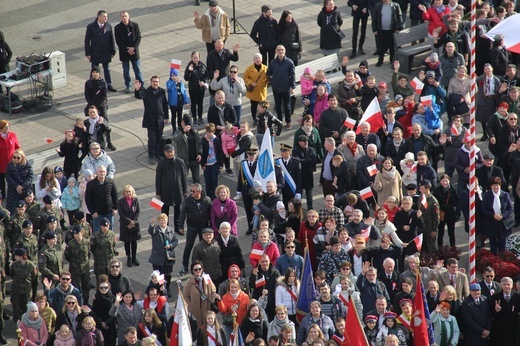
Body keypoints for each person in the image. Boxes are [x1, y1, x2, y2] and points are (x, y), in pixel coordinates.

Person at [179, 183, 212, 275]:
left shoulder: (207, 200)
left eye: (193, 191)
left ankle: (203, 266)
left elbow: (211, 214)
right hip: (192, 227)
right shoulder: (187, 200)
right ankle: (184, 265)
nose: (191, 193)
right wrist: (180, 226)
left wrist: (211, 227)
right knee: (188, 246)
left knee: (204, 247)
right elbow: (182, 213)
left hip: (204, 228)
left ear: (200, 191)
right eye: (191, 190)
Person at [135, 76, 169, 164]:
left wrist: (166, 117)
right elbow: (139, 96)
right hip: (150, 120)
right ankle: (151, 156)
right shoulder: (147, 92)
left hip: (160, 120)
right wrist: (137, 90)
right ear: (151, 82)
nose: (155, 83)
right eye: (154, 81)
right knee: (152, 139)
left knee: (159, 138)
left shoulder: (161, 91)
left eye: (157, 81)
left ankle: (158, 154)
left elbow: (165, 104)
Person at [155, 144, 188, 234]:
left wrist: (185, 190)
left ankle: (178, 227)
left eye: (171, 152)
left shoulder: (180, 162)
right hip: (165, 191)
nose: (169, 154)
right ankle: (165, 228)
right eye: (167, 152)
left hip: (177, 190)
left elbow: (184, 177)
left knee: (178, 210)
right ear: (164, 153)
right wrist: (158, 192)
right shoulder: (161, 163)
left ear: (174, 151)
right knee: (165, 211)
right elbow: (158, 178)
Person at [84, 10, 117, 92]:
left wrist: (113, 51)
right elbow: (87, 41)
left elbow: (111, 39)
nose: (106, 18)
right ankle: (91, 85)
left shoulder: (108, 26)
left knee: (107, 69)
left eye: (106, 17)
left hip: (106, 52)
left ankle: (108, 84)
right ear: (99, 17)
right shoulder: (91, 27)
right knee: (94, 69)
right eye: (104, 16)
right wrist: (88, 53)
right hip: (95, 53)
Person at [84, 69, 115, 151]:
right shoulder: (88, 83)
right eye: (93, 72)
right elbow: (87, 95)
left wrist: (97, 106)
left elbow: (104, 96)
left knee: (105, 124)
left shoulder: (103, 82)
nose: (95, 74)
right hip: (92, 106)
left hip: (101, 107)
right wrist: (91, 105)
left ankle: (109, 142)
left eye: (97, 72)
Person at [148, 214, 178, 297]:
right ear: (159, 221)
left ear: (167, 221)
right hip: (158, 257)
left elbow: (175, 241)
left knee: (168, 275)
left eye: (164, 220)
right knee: (158, 276)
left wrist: (170, 246)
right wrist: (152, 224)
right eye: (161, 220)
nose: (163, 222)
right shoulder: (156, 229)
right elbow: (151, 231)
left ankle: (166, 288)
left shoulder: (170, 230)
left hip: (168, 257)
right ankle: (159, 289)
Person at [482, 176, 514, 254]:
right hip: (491, 223)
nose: (496, 187)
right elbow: (483, 209)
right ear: (491, 186)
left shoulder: (505, 194)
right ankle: (493, 260)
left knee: (502, 244)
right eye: (494, 185)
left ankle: (501, 261)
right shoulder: (487, 195)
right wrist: (493, 215)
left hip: (503, 223)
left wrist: (502, 215)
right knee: (493, 244)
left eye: (497, 185)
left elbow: (510, 208)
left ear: (500, 185)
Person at [114, 11, 143, 94]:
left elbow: (138, 37)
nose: (124, 18)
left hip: (134, 52)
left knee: (137, 69)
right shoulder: (117, 28)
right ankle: (128, 85)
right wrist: (128, 49)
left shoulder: (135, 25)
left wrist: (133, 48)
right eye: (122, 16)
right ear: (120, 18)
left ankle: (141, 85)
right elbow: (118, 41)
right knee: (126, 70)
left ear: (128, 17)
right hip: (124, 53)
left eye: (125, 16)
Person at [183, 260, 219, 328]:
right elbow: (185, 296)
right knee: (196, 326)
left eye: (200, 269)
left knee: (206, 326)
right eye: (195, 270)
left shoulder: (206, 278)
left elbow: (213, 290)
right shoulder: (189, 282)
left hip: (206, 306)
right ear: (192, 271)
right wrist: (190, 305)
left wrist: (212, 298)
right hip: (194, 309)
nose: (198, 271)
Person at [267, 45, 295, 129]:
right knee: (278, 106)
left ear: (285, 51)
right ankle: (279, 121)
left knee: (287, 106)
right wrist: (272, 80)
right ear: (276, 51)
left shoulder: (289, 62)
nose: (280, 51)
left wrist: (292, 87)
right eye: (279, 50)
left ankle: (288, 121)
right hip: (276, 88)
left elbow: (292, 75)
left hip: (286, 88)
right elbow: (268, 73)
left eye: (282, 50)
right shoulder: (273, 62)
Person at [85, 165, 117, 233]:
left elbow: (115, 195)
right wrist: (92, 212)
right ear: (97, 172)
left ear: (106, 172)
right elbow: (88, 199)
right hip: (97, 213)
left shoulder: (110, 182)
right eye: (100, 171)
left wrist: (115, 208)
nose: (102, 173)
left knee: (110, 231)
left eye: (103, 171)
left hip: (109, 212)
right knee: (97, 232)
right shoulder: (91, 184)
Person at [64, 225, 91, 305]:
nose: (76, 236)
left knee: (86, 287)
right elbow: (67, 256)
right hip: (75, 269)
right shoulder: (70, 244)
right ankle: (77, 304)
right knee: (75, 288)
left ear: (82, 233)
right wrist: (74, 263)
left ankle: (86, 303)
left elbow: (88, 254)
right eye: (75, 234)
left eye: (78, 234)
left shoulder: (86, 242)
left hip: (85, 269)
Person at [489, 277, 520, 346]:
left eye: (508, 284)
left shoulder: (517, 296)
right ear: (501, 285)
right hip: (499, 331)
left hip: (513, 330)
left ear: (512, 285)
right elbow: (490, 314)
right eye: (504, 284)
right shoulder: (495, 297)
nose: (506, 286)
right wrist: (496, 311)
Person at [372, 0, 403, 67]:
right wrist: (374, 29)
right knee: (380, 47)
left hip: (391, 30)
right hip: (381, 30)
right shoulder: (378, 6)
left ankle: (392, 60)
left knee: (392, 47)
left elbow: (399, 17)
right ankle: (380, 60)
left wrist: (399, 28)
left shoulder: (395, 6)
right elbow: (374, 18)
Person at [173, 115, 202, 183]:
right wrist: (183, 132)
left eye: (186, 124)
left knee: (196, 179)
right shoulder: (178, 131)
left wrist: (200, 153)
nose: (184, 125)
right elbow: (176, 140)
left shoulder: (194, 132)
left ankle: (197, 192)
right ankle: (184, 192)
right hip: (184, 161)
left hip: (195, 160)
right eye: (183, 123)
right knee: (183, 179)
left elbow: (200, 143)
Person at [10, 248, 37, 322]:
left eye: (16, 256)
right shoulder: (14, 264)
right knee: (16, 308)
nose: (15, 257)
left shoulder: (31, 265)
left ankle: (27, 323)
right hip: (16, 290)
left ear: (21, 256)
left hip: (26, 290)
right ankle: (18, 323)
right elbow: (12, 274)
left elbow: (33, 276)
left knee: (26, 308)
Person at [117, 185, 141, 268]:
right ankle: (129, 257)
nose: (128, 193)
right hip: (125, 224)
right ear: (123, 193)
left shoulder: (135, 200)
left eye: (129, 191)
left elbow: (138, 211)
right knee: (127, 242)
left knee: (134, 242)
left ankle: (134, 257)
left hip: (134, 223)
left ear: (132, 192)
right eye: (126, 192)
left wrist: (133, 221)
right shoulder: (120, 201)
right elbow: (121, 214)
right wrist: (129, 222)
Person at [476, 64, 500, 141]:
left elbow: (498, 90)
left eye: (489, 69)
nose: (487, 70)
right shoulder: (480, 79)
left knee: (491, 117)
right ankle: (484, 133)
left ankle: (491, 133)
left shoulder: (496, 79)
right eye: (486, 69)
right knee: (483, 117)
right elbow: (474, 83)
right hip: (483, 99)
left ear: (492, 69)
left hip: (492, 99)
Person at [184, 51, 209, 125]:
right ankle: (194, 118)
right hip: (193, 89)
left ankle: (200, 118)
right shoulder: (190, 66)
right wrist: (189, 71)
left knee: (200, 103)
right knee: (194, 104)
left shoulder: (202, 65)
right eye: (194, 58)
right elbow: (186, 78)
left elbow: (207, 75)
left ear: (199, 58)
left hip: (201, 89)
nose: (195, 59)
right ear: (191, 58)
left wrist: (203, 81)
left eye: (197, 58)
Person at [244, 53, 269, 127]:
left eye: (259, 58)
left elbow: (268, 77)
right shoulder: (249, 69)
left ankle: (263, 119)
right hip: (254, 92)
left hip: (262, 91)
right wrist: (251, 83)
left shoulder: (265, 68)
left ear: (261, 59)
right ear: (253, 60)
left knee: (263, 107)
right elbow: (245, 78)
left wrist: (267, 81)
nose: (258, 60)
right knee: (254, 107)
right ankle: (255, 119)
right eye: (256, 58)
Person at [5, 149, 33, 214]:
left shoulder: (27, 165)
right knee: (11, 208)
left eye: (18, 157)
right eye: (14, 157)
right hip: (13, 190)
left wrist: (22, 186)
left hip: (25, 189)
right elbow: (8, 177)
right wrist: (16, 186)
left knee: (26, 208)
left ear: (22, 158)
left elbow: (30, 177)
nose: (16, 159)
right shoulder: (10, 165)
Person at [92, 275, 117, 346]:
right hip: (100, 326)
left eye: (106, 287)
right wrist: (101, 322)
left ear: (109, 287)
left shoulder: (113, 298)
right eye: (101, 288)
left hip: (111, 325)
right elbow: (95, 313)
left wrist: (107, 323)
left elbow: (115, 313)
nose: (103, 289)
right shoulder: (96, 298)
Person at [0, 120, 20, 201]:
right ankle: (3, 196)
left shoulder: (12, 135)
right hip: (1, 165)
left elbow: (17, 147)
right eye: (6, 127)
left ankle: (12, 195)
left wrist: (18, 157)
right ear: (1, 128)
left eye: (8, 126)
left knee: (12, 181)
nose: (7, 128)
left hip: (12, 164)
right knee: (1, 182)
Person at [167, 69, 191, 133]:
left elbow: (183, 91)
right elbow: (169, 88)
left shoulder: (180, 82)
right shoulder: (169, 82)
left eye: (175, 75)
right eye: (172, 76)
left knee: (180, 116)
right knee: (173, 116)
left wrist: (186, 101)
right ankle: (174, 129)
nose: (174, 77)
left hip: (179, 102)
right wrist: (174, 81)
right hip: (173, 103)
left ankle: (180, 128)